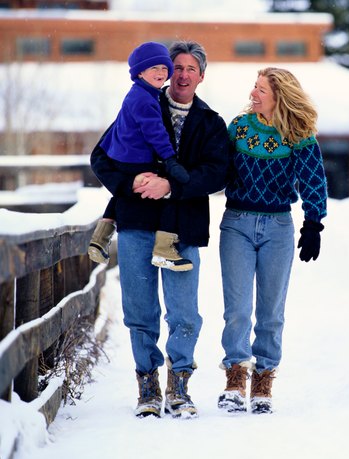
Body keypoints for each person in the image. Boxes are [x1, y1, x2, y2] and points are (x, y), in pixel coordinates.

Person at [90, 41, 230, 418]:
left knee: (183, 311)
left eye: (190, 69)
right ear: (165, 71)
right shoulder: (140, 103)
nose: (182, 74)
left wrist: (172, 185)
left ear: (201, 76)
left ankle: (179, 386)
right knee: (140, 309)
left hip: (182, 229)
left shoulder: (211, 123)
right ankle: (148, 386)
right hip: (136, 221)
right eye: (176, 67)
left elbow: (218, 173)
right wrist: (131, 182)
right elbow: (101, 156)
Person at [217, 67, 328, 414]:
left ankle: (263, 378)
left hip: (278, 226)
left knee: (271, 311)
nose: (253, 93)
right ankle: (235, 376)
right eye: (254, 86)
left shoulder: (298, 134)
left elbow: (314, 180)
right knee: (237, 309)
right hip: (236, 222)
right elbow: (216, 168)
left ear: (279, 95)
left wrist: (313, 223)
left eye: (261, 89)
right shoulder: (238, 128)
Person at [88, 41, 194, 272]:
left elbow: (116, 133)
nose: (161, 73)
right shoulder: (145, 100)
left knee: (125, 195)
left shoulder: (138, 95)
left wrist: (112, 151)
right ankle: (164, 248)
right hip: (134, 159)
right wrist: (170, 160)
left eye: (164, 68)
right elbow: (155, 133)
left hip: (123, 157)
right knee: (169, 190)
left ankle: (101, 236)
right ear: (140, 72)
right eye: (154, 68)